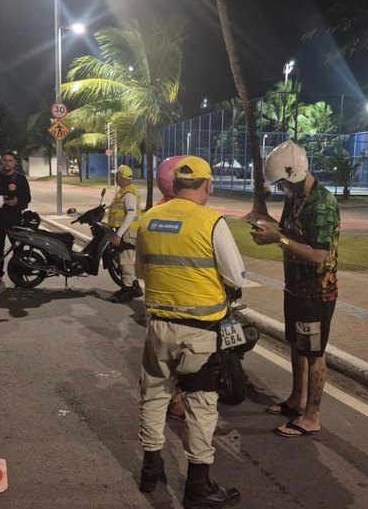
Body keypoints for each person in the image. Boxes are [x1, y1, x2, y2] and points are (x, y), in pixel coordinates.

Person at [135, 156, 244, 508]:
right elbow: (235, 276)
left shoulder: (149, 218)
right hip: (199, 333)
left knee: (154, 395)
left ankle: (151, 468)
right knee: (201, 406)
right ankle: (198, 486)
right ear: (207, 184)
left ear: (175, 185)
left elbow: (140, 270)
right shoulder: (211, 221)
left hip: (158, 327)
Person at [251, 140, 340, 438]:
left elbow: (319, 255)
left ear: (296, 173)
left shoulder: (323, 204)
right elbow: (291, 233)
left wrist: (280, 240)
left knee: (314, 352)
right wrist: (271, 230)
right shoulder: (296, 199)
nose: (282, 190)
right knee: (296, 344)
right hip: (295, 288)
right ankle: (295, 400)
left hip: (317, 292)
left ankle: (312, 415)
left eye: (283, 184)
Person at [0, 149, 31, 285]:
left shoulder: (20, 179)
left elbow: (27, 198)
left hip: (15, 219)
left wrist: (17, 201)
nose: (7, 163)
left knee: (18, 248)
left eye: (10, 160)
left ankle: (17, 275)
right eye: (5, 160)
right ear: (1, 161)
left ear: (15, 163)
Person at [107, 165, 144, 303]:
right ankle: (134, 286)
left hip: (128, 232)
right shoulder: (124, 192)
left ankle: (127, 290)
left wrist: (119, 234)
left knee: (125, 261)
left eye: (117, 176)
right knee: (122, 259)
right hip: (125, 231)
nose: (116, 178)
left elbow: (130, 214)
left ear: (122, 177)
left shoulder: (129, 194)